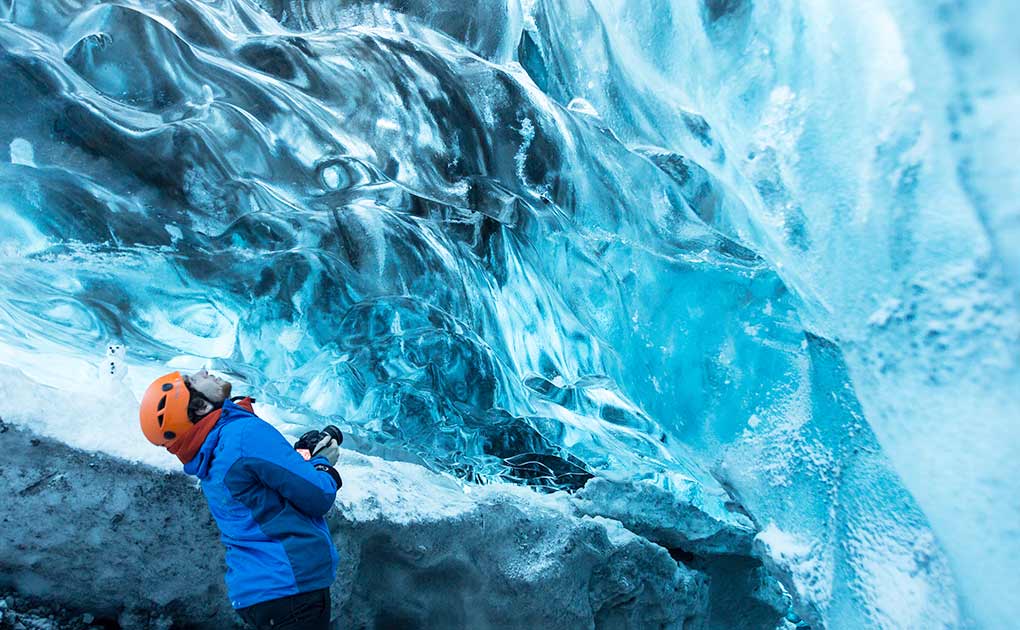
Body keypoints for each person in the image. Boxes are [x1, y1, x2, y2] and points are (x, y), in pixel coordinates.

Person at [139, 369, 343, 630]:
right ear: (199, 406)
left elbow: (264, 488)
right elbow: (318, 495)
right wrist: (323, 464)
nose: (203, 371)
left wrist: (298, 461)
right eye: (193, 380)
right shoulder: (243, 434)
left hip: (259, 593)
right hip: (291, 585)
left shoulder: (213, 454)